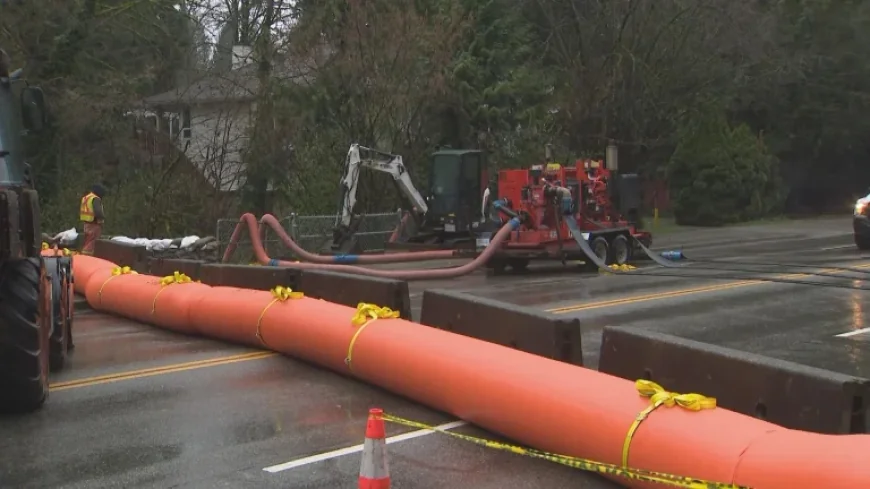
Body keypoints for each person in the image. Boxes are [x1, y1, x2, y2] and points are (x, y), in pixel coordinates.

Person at [79, 184, 106, 255]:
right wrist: (102, 218)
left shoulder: (86, 197)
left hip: (86, 223)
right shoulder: (96, 198)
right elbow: (98, 212)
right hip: (94, 223)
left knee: (87, 241)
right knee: (91, 243)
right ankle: (87, 258)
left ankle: (84, 256)